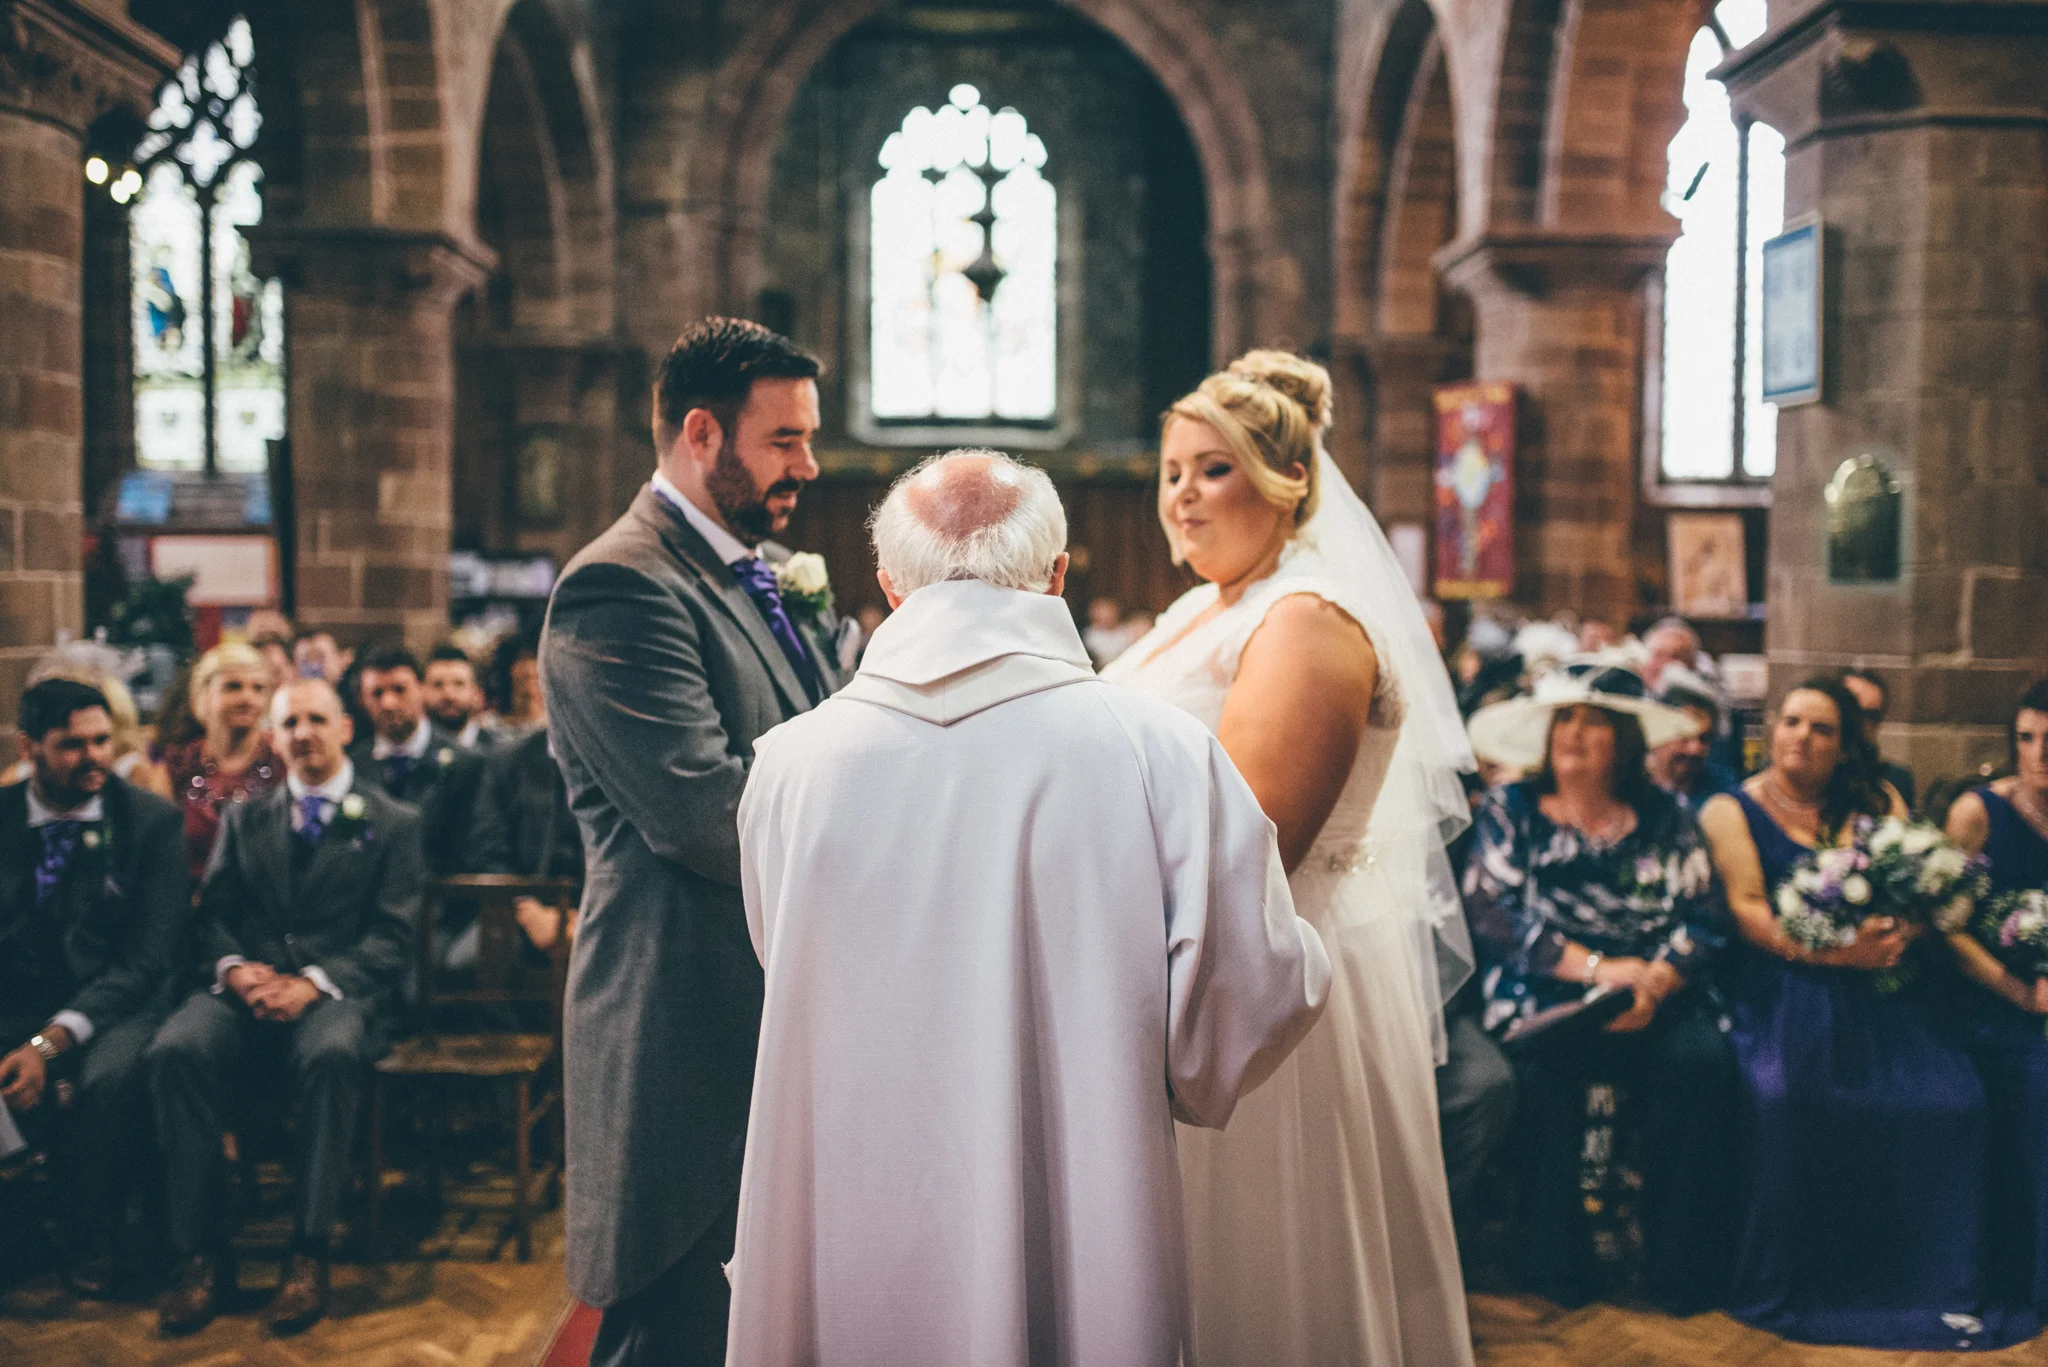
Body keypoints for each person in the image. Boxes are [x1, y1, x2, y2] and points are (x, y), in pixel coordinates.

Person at [726, 451, 1330, 1367]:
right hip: (1084, 1200)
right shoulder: (1161, 753)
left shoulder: (790, 765)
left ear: (891, 588)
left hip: (848, 1198)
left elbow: (788, 964)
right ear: (1055, 574)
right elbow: (1246, 996)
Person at [1104, 351, 1476, 1365]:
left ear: (1288, 483)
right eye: (1171, 469)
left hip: (1261, 980)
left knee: (1263, 1279)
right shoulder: (1205, 607)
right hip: (1174, 951)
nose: (1180, 494)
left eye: (1211, 468)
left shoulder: (1305, 619)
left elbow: (1250, 841)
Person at [540, 316, 846, 1367]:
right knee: (671, 1327)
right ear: (702, 433)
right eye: (786, 440)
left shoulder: (756, 571)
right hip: (684, 1017)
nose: (808, 463)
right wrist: (882, 858)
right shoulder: (618, 585)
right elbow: (702, 812)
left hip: (773, 1002)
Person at [1698, 677, 2032, 1348]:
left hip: (1885, 989)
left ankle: (1924, 1280)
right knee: (1786, 1096)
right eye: (1793, 721)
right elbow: (1748, 910)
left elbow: (1923, 882)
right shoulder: (1728, 808)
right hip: (1785, 984)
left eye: (1822, 728)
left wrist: (1905, 927)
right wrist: (1834, 954)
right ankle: (1810, 1278)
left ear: (1846, 745)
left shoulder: (1877, 799)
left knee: (1953, 1101)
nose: (1802, 736)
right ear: (1774, 727)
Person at [147, 677, 421, 1336]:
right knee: (175, 1048)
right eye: (290, 723)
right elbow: (212, 916)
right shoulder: (246, 816)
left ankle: (308, 1247)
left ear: (345, 727)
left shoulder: (393, 821)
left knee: (330, 1054)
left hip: (337, 993)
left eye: (316, 719)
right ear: (274, 737)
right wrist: (237, 970)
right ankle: (204, 1251)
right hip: (246, 990)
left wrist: (316, 980)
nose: (304, 733)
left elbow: (394, 935)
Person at [1463, 665, 1737, 1311]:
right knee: (1544, 1078)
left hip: (1653, 995)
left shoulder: (1666, 814)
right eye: (1565, 718)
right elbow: (1491, 913)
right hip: (1547, 993)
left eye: (1594, 720)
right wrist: (1597, 970)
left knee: (1703, 1067)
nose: (1575, 733)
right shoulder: (1514, 810)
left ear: (1626, 741)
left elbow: (1706, 915)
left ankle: (1677, 1269)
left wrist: (1656, 980)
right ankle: (1557, 1264)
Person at [0, 679, 188, 1295]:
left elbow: (145, 960)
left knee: (107, 1080)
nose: (95, 757)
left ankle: (98, 1238)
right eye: (71, 745)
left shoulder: (149, 822)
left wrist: (46, 1046)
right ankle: (23, 1220)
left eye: (102, 740)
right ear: (29, 748)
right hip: (19, 999)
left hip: (117, 1003)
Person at [1944, 679, 2048, 1313]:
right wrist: (2019, 991)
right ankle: (2022, 1276)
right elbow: (1945, 930)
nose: (2039, 755)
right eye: (2027, 739)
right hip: (1989, 1000)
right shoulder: (1978, 812)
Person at [349, 646, 487, 881]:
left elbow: (475, 849)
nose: (389, 703)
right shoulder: (353, 767)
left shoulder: (467, 763)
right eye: (377, 693)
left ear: (421, 690)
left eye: (399, 690)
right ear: (362, 700)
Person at [161, 642, 282, 887]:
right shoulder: (175, 765)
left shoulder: (283, 764)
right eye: (233, 687)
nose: (247, 698)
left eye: (258, 689)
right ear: (202, 696)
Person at [1649, 664, 1741, 811]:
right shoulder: (1630, 788)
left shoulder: (1723, 792)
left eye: (1704, 739)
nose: (1695, 749)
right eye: (1683, 737)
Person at [1842, 668, 1918, 814]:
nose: (1860, 723)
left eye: (1870, 715)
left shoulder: (1896, 780)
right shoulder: (1813, 773)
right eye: (1852, 711)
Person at [421, 643, 492, 751]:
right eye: (438, 684)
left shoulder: (499, 752)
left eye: (459, 684)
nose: (449, 695)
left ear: (477, 693)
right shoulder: (412, 754)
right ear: (422, 692)